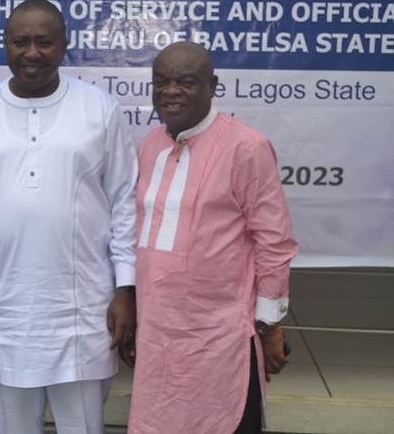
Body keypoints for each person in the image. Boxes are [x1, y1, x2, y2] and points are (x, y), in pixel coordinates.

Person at [0, 0, 139, 434]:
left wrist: (127, 288)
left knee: (83, 427)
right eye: (20, 41)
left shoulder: (99, 109)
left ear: (65, 45)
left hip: (83, 309)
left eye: (45, 42)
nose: (32, 52)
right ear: (4, 45)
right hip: (3, 310)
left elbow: (124, 201)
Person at [124, 41, 298, 434]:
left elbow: (275, 243)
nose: (171, 91)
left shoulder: (246, 147)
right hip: (158, 334)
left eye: (186, 81)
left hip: (219, 339)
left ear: (212, 85)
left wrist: (269, 327)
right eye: (161, 82)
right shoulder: (150, 146)